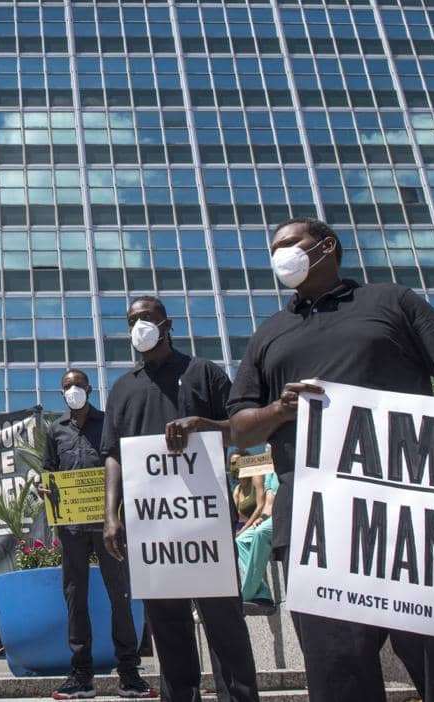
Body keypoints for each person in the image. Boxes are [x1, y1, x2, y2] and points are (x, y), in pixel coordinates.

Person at [227, 217, 434, 702]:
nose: (279, 254)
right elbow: (241, 428)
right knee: (339, 679)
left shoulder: (391, 301)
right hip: (316, 528)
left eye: (290, 243)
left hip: (405, 521)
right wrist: (278, 408)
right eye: (274, 247)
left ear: (327, 246)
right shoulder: (268, 334)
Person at [102, 296, 260, 702]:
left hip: (206, 526)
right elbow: (114, 455)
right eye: (132, 320)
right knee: (168, 630)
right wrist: (111, 517)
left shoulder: (202, 372)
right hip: (152, 529)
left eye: (146, 318)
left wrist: (207, 425)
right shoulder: (122, 389)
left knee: (224, 624)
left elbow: (243, 430)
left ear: (167, 324)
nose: (139, 326)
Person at [40, 369, 148, 700]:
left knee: (120, 594)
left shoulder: (108, 422)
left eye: (78, 385)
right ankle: (81, 676)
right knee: (75, 597)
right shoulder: (55, 429)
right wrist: (44, 485)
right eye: (67, 386)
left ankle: (129, 674)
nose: (73, 390)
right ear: (62, 394)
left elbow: (124, 465)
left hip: (109, 526)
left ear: (89, 389)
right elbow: (48, 469)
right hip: (71, 528)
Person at [230, 456, 278, 613]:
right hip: (268, 518)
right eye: (232, 463)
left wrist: (256, 521)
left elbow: (260, 504)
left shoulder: (260, 475)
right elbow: (268, 505)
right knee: (240, 541)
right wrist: (262, 518)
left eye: (238, 461)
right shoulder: (271, 474)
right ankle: (261, 593)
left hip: (284, 517)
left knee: (260, 532)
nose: (235, 465)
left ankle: (246, 594)